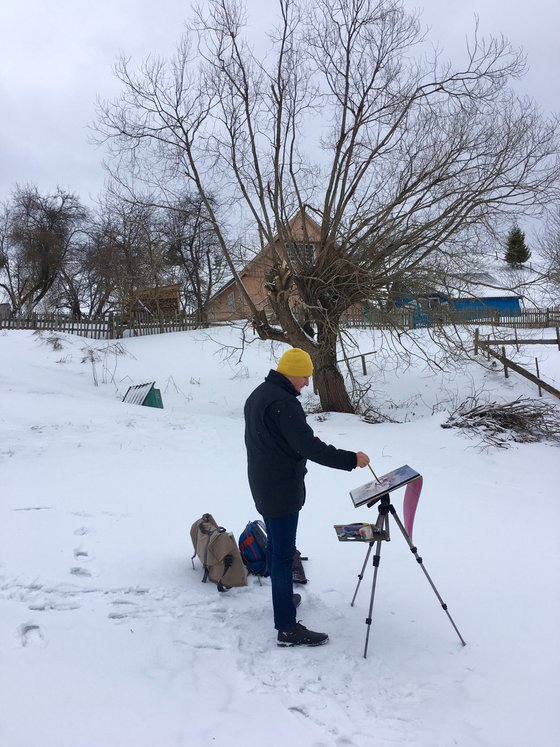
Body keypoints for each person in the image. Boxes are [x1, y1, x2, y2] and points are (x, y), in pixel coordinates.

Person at [244, 347, 370, 647]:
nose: (306, 384)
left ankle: (284, 601)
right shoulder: (283, 403)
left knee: (277, 549)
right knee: (283, 555)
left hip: (264, 483)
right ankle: (287, 628)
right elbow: (309, 447)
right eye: (305, 377)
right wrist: (351, 459)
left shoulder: (259, 394)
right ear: (293, 372)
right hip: (280, 488)